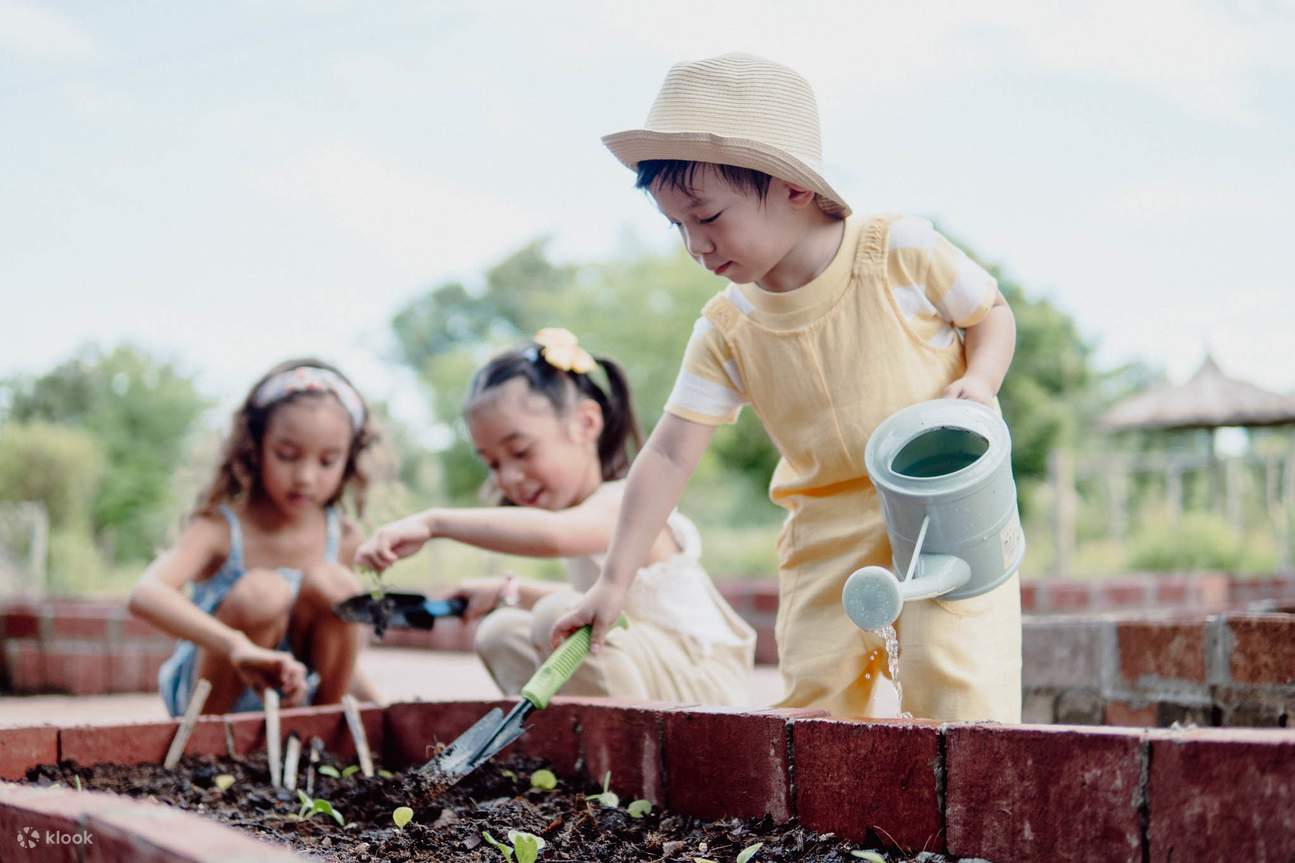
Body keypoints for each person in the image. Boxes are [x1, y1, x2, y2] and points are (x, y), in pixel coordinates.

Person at [552, 53, 1022, 722]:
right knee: (817, 705)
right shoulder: (727, 326)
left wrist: (978, 381)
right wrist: (613, 579)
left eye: (708, 217)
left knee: (955, 689)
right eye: (677, 226)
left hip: (943, 519)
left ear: (793, 187)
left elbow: (990, 314)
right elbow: (665, 455)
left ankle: (966, 824)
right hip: (823, 538)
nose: (694, 244)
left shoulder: (899, 252)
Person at [355, 328, 755, 704]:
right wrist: (505, 590)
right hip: (651, 669)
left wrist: (434, 523)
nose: (509, 476)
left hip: (705, 689)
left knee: (556, 617)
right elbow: (617, 609)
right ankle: (565, 747)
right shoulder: (583, 514)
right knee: (501, 631)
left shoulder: (625, 501)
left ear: (585, 423)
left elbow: (556, 535)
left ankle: (629, 761)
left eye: (522, 452)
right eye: (493, 464)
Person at [129, 359, 380, 716]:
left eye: (327, 461)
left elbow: (340, 658)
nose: (306, 477)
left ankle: (323, 742)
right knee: (264, 592)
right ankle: (207, 747)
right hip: (212, 697)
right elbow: (145, 594)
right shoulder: (220, 529)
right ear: (254, 447)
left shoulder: (344, 537)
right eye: (287, 455)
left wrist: (387, 717)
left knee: (338, 586)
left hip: (298, 700)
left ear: (349, 460)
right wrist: (235, 646)